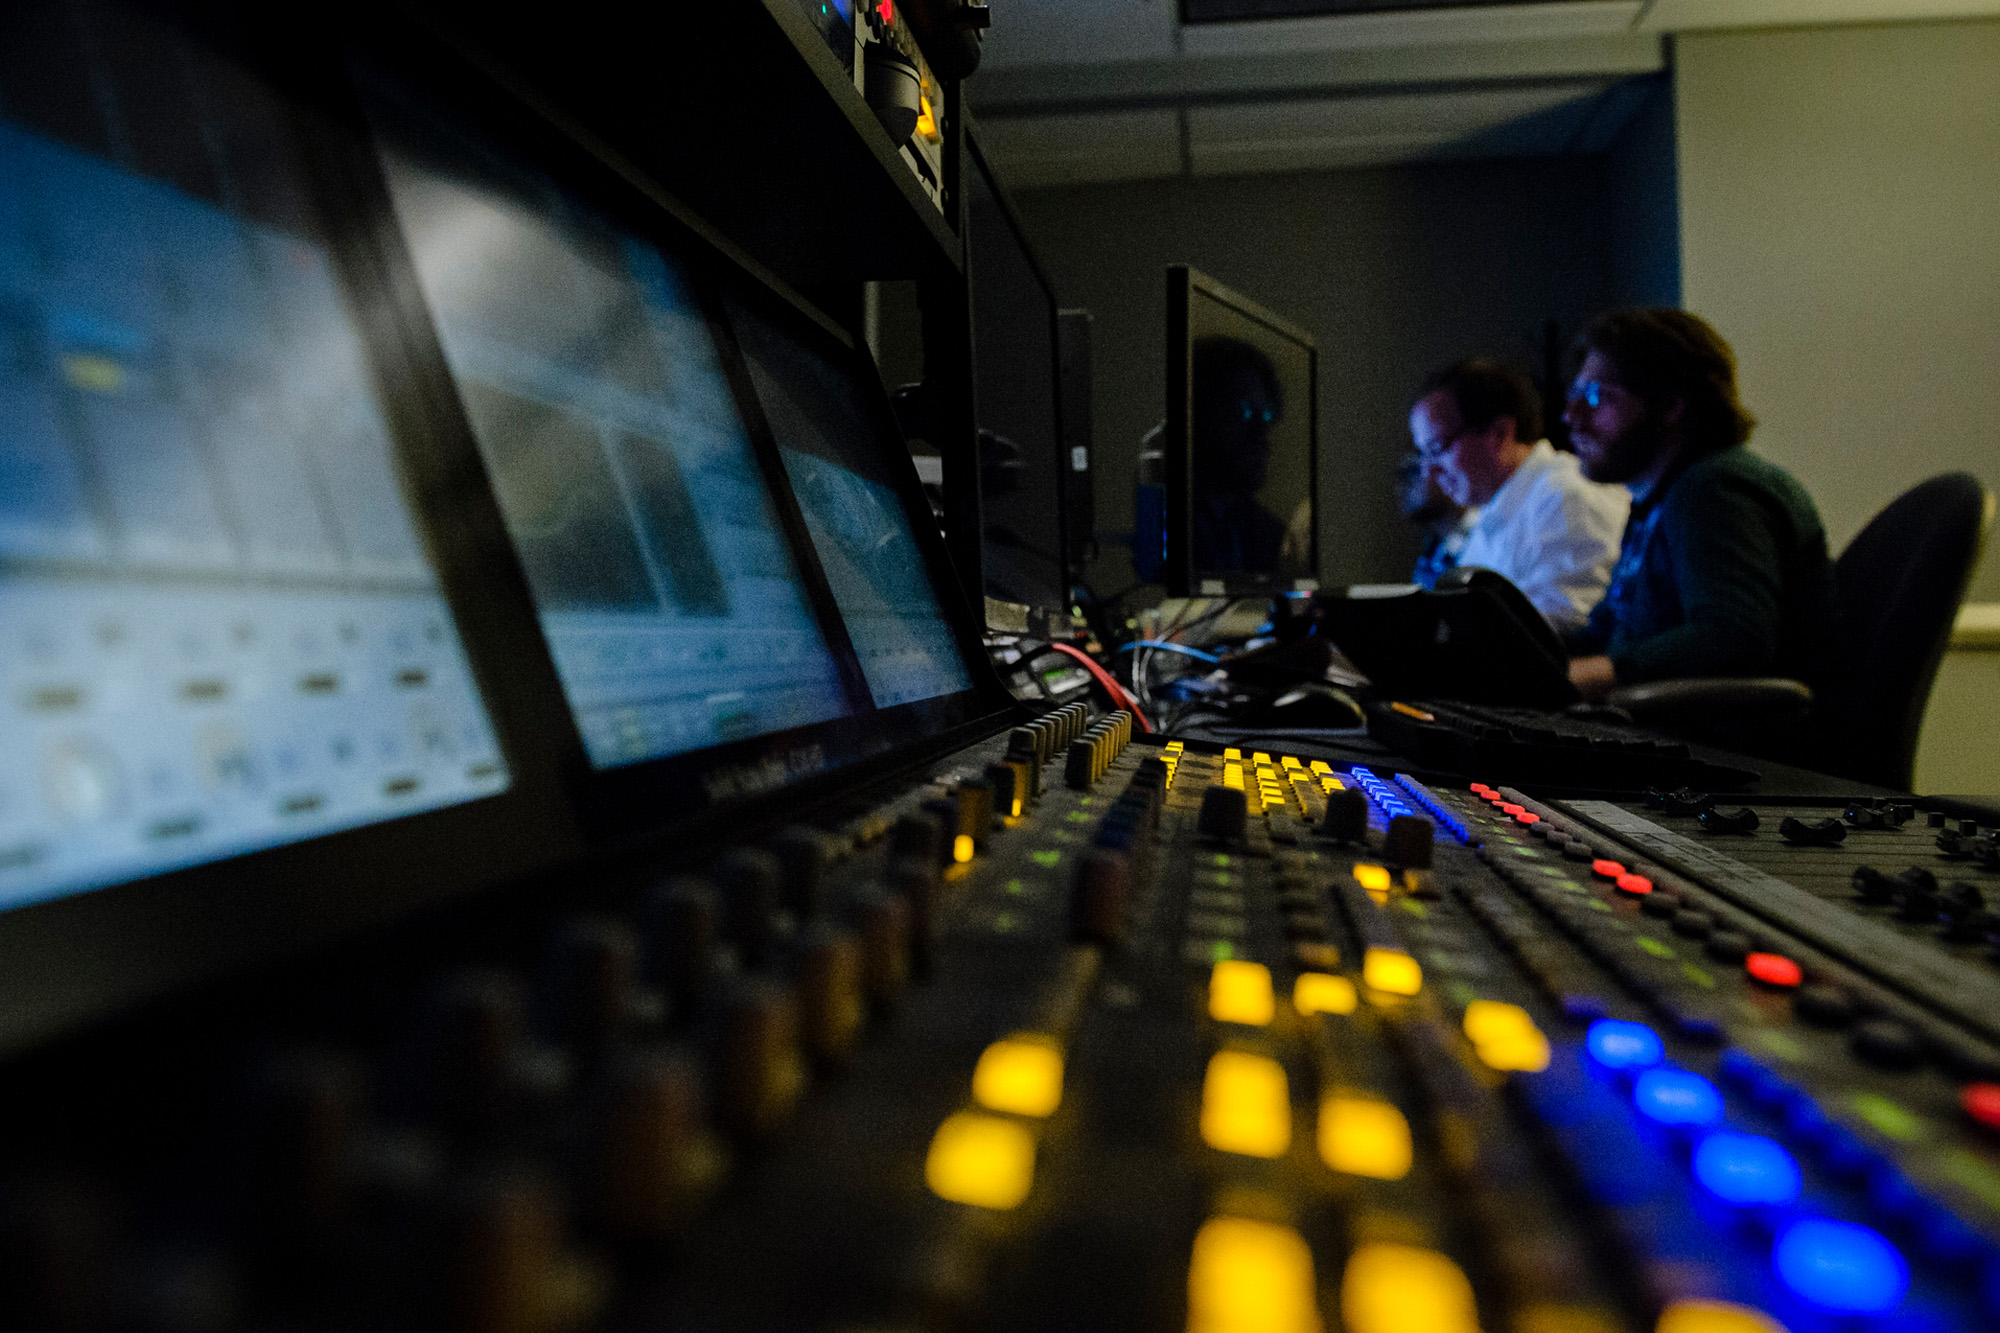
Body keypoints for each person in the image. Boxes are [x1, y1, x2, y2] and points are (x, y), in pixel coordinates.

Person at [1561, 308, 1840, 700]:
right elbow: (1605, 632)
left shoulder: (1714, 490)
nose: (1570, 416)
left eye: (1595, 397)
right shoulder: (1658, 502)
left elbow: (1733, 635)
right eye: (1573, 396)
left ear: (1671, 406)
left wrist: (1608, 671)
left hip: (1727, 748)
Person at [1408, 359, 1628, 631]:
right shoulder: (1490, 510)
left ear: (1499, 434)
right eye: (1424, 455)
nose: (1430, 473)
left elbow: (1558, 630)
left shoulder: (1566, 498)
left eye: (1437, 448)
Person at [1189, 336, 1290, 574]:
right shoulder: (1167, 528)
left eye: (1265, 415)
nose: (1261, 433)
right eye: (1243, 412)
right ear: (1199, 416)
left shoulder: (1273, 538)